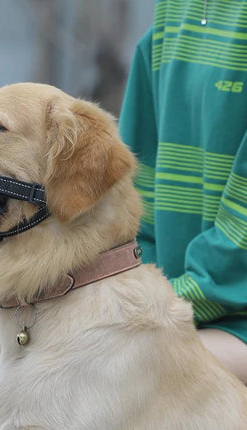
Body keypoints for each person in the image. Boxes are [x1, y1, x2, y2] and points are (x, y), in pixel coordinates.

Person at [119, 0, 247, 384]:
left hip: (214, 315)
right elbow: (132, 208)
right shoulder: (166, 25)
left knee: (117, 374)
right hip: (177, 310)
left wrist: (158, 307)